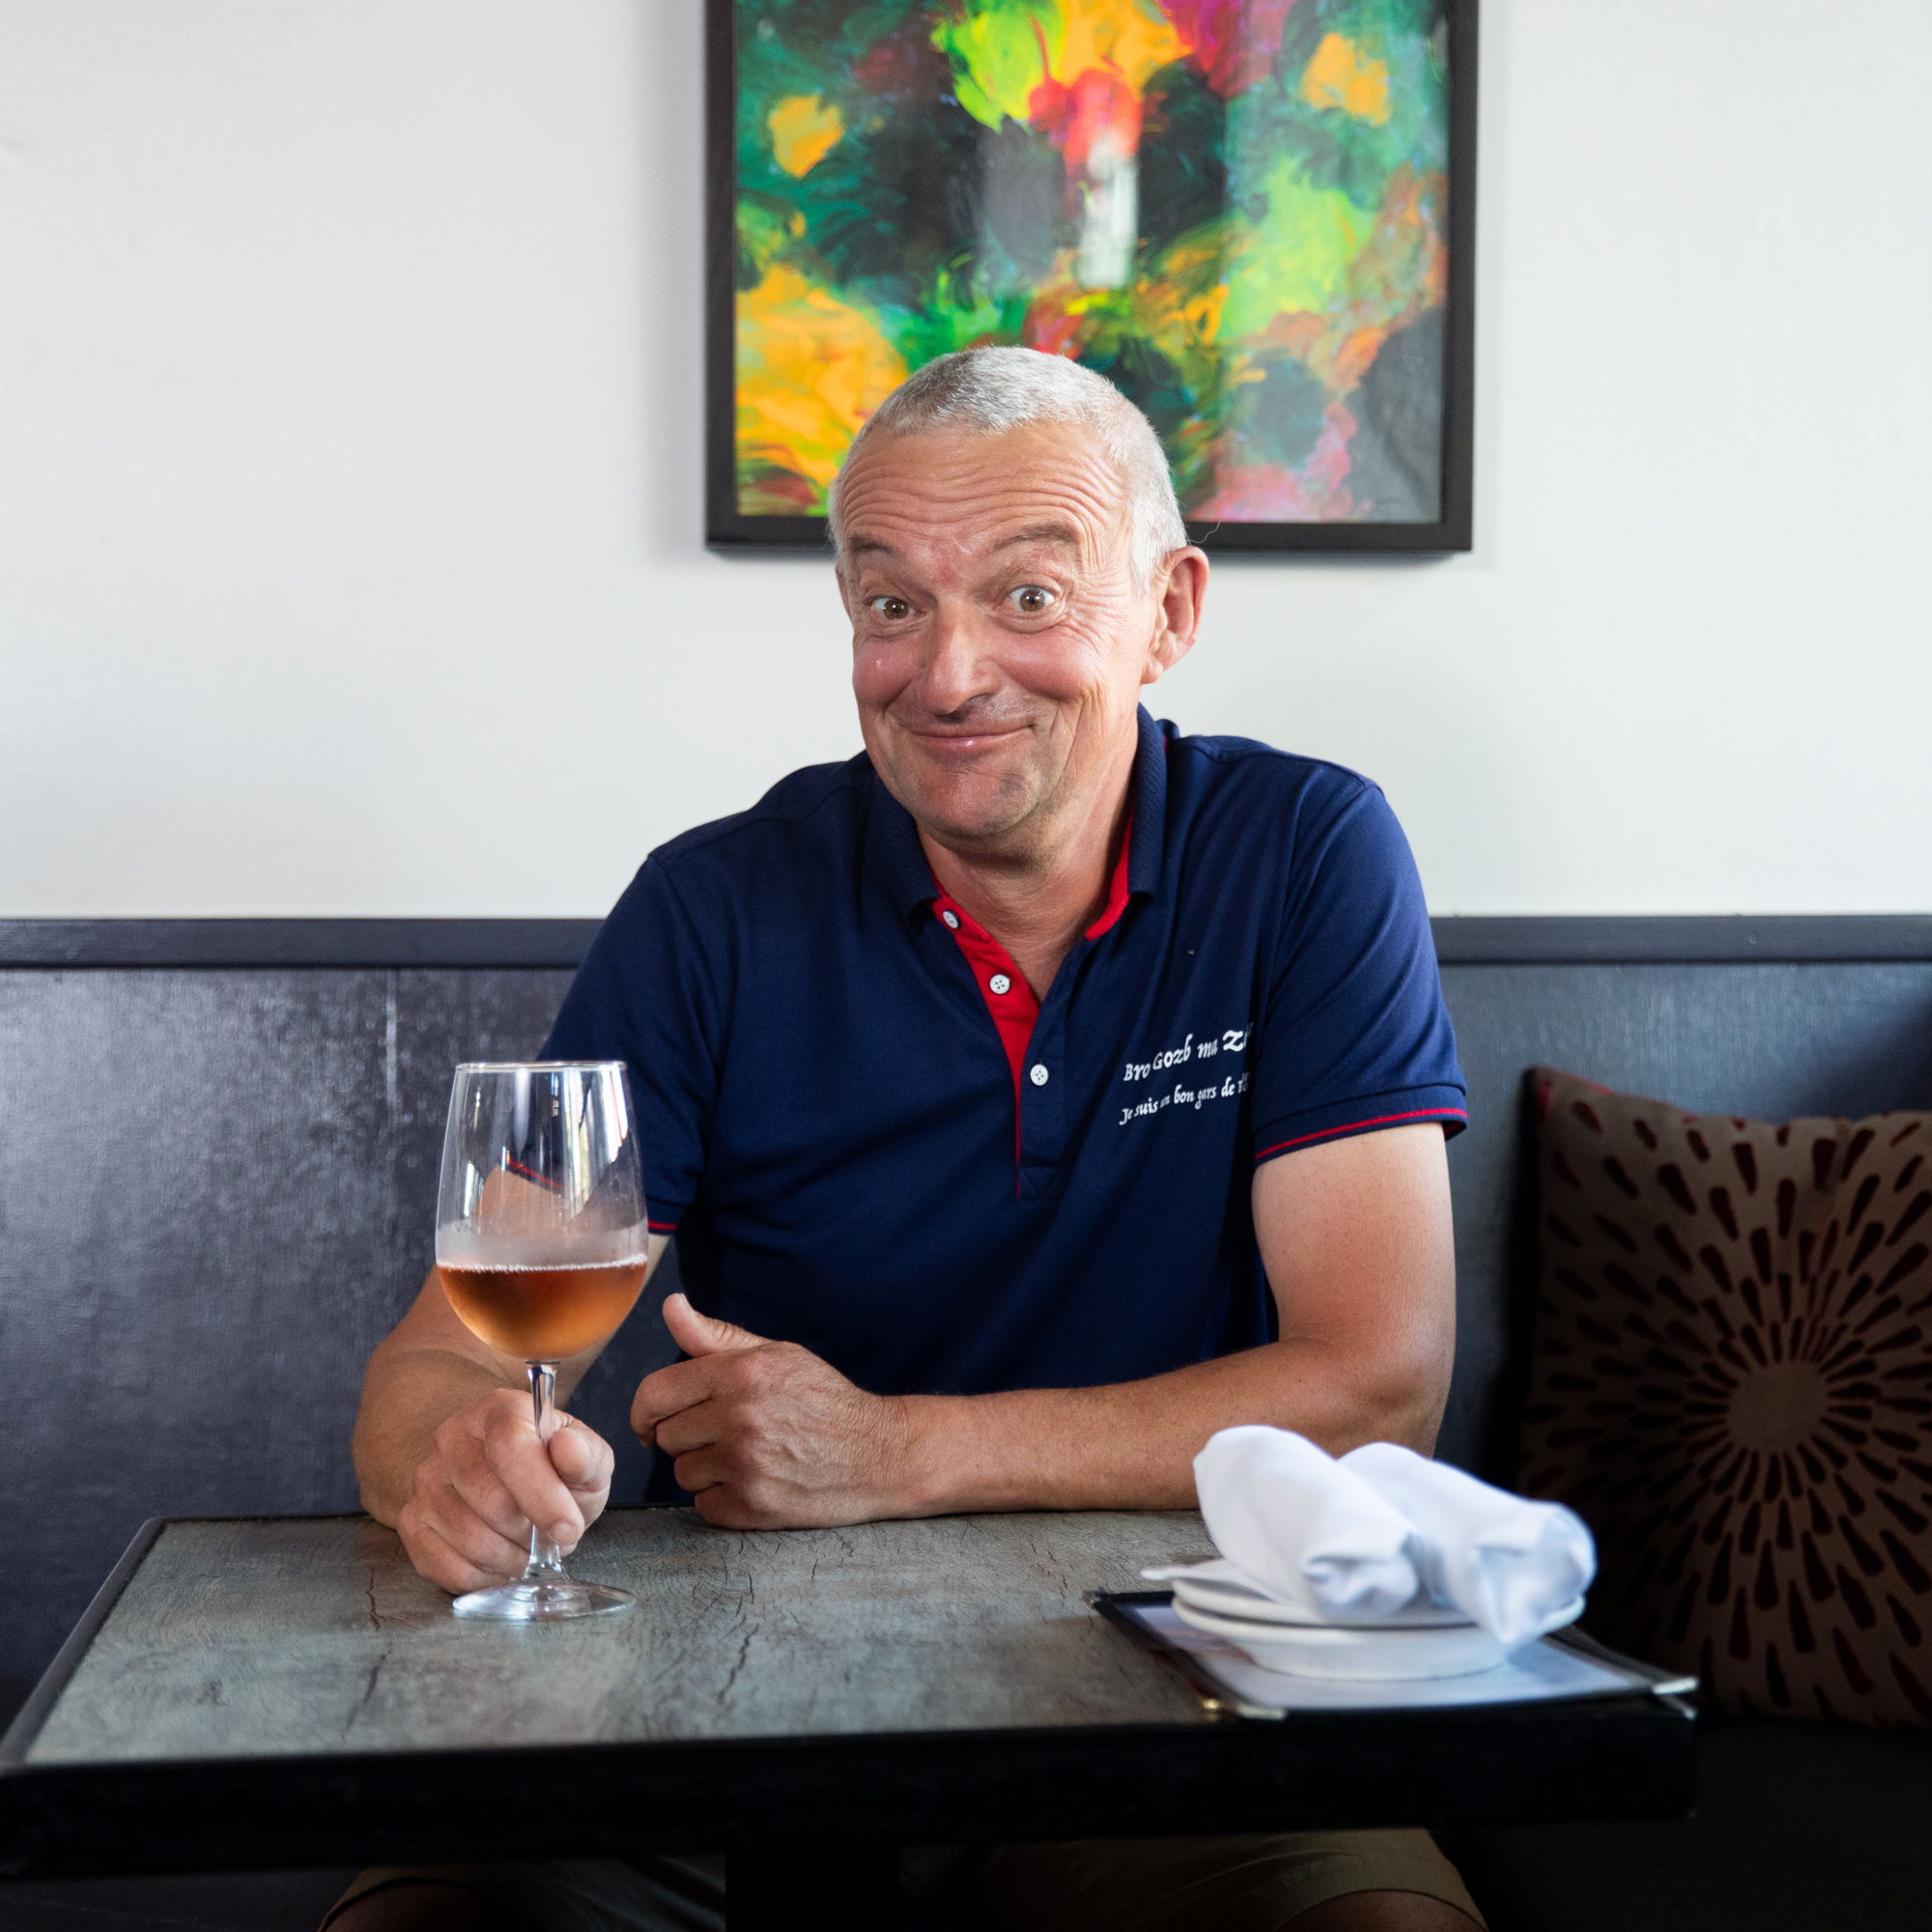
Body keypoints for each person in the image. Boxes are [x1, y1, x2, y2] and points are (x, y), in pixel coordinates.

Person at [341, 349, 1480, 1932]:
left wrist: (895, 1454)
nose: (945, 675)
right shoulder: (713, 905)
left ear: (1171, 614)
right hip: (720, 1710)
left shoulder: (1305, 855)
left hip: (1173, 1695)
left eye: (1027, 597)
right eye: (889, 606)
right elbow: (438, 1368)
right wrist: (447, 1472)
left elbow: (1378, 1385)